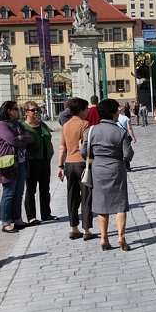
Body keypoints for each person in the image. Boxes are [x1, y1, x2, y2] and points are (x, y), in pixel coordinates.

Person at [81, 99, 133, 251]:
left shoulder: (92, 130)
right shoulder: (120, 131)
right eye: (117, 111)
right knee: (120, 204)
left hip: (98, 168)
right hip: (116, 167)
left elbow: (84, 152)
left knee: (101, 204)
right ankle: (121, 236)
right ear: (112, 113)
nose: (118, 113)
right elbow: (128, 154)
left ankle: (104, 238)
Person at [58, 97, 95, 241]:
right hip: (82, 163)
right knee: (86, 196)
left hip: (69, 163)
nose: (87, 111)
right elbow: (86, 145)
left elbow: (62, 148)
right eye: (86, 109)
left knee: (72, 196)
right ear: (80, 110)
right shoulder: (84, 124)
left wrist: (60, 166)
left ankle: (73, 227)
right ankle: (86, 229)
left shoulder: (65, 125)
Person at [0, 101, 34, 233]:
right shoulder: (1, 125)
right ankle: (5, 221)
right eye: (16, 109)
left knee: (19, 192)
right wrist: (21, 139)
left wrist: (21, 137)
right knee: (8, 192)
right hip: (9, 162)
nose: (18, 111)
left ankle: (17, 219)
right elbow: (12, 140)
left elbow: (30, 138)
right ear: (9, 111)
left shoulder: (18, 125)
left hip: (21, 161)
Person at [22, 100, 56, 225]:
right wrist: (28, 154)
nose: (36, 112)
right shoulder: (24, 127)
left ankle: (46, 214)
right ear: (26, 112)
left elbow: (48, 138)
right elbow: (20, 144)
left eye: (37, 109)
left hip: (45, 160)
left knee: (45, 188)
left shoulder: (42, 125)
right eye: (33, 110)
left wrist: (51, 151)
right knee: (31, 189)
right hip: (33, 161)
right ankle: (31, 216)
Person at [117, 107, 137, 171]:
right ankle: (127, 167)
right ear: (122, 111)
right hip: (126, 136)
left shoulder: (114, 118)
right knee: (126, 151)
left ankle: (120, 166)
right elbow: (129, 128)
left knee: (119, 151)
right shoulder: (125, 118)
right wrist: (133, 137)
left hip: (117, 136)